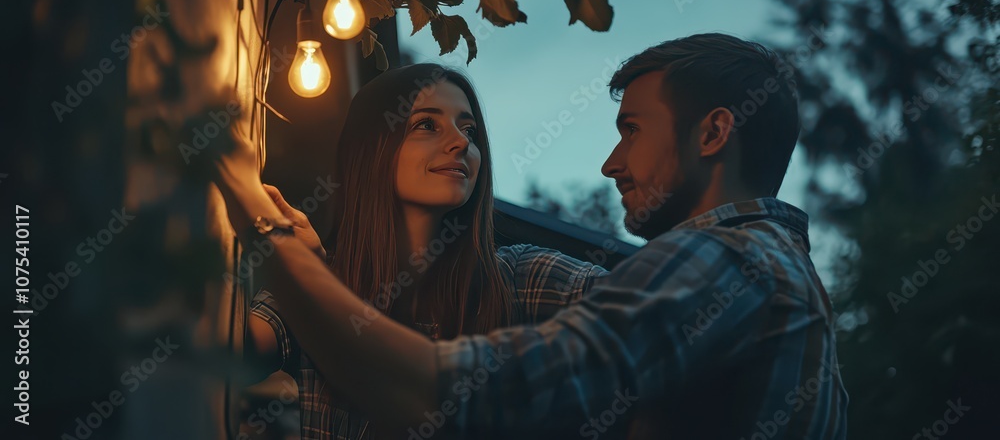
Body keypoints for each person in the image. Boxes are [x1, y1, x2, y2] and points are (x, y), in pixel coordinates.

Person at [215, 34, 849, 439]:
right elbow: (214, 348)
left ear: (712, 135)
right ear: (368, 153)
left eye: (631, 128)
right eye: (424, 125)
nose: (610, 162)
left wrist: (262, 225)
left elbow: (464, 393)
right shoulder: (756, 269)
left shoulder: (724, 267)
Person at [243, 64, 610, 440]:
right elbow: (229, 354)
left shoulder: (520, 278)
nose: (461, 142)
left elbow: (657, 307)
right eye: (426, 125)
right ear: (372, 149)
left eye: (469, 130)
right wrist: (303, 271)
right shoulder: (322, 280)